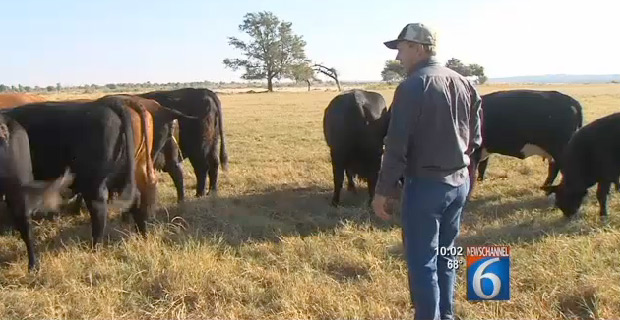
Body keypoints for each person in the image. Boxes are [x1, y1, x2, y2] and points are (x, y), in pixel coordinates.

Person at [372, 23, 483, 320]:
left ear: (419, 48)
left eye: (402, 49)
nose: (398, 57)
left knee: (423, 262)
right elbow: (476, 140)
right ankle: (446, 315)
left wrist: (382, 191)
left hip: (425, 186)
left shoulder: (412, 86)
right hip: (459, 184)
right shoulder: (465, 82)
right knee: (447, 255)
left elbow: (396, 146)